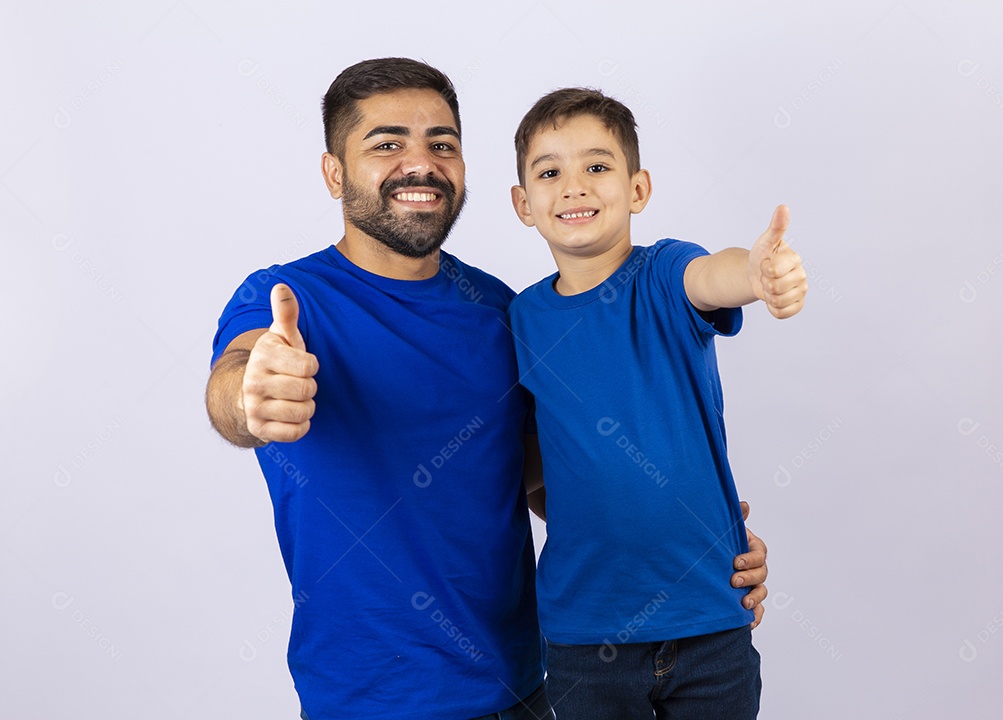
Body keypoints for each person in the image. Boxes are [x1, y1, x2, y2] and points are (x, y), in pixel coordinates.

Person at [205, 58, 770, 719]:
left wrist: (696, 548)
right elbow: (235, 386)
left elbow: (548, 483)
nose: (421, 163)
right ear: (335, 173)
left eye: (441, 144)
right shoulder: (287, 301)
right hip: (364, 702)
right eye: (387, 143)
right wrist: (253, 391)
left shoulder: (506, 314)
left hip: (525, 691)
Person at [507, 87, 807, 719]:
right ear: (523, 204)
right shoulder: (522, 320)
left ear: (638, 189)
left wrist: (754, 274)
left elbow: (711, 276)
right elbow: (538, 467)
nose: (573, 187)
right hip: (584, 640)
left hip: (709, 627)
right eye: (549, 172)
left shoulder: (666, 274)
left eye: (596, 167)